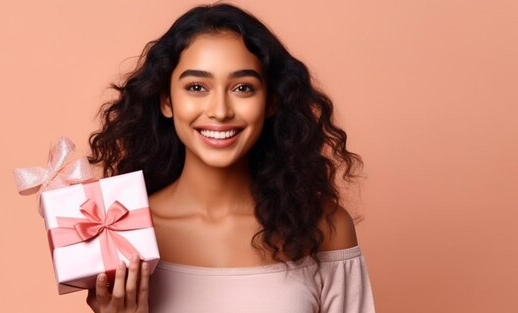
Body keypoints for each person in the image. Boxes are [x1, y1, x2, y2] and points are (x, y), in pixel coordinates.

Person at [85, 3, 375, 313]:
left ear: (271, 102)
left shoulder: (325, 228)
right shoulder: (124, 234)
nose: (220, 111)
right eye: (197, 87)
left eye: (242, 88)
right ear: (167, 101)